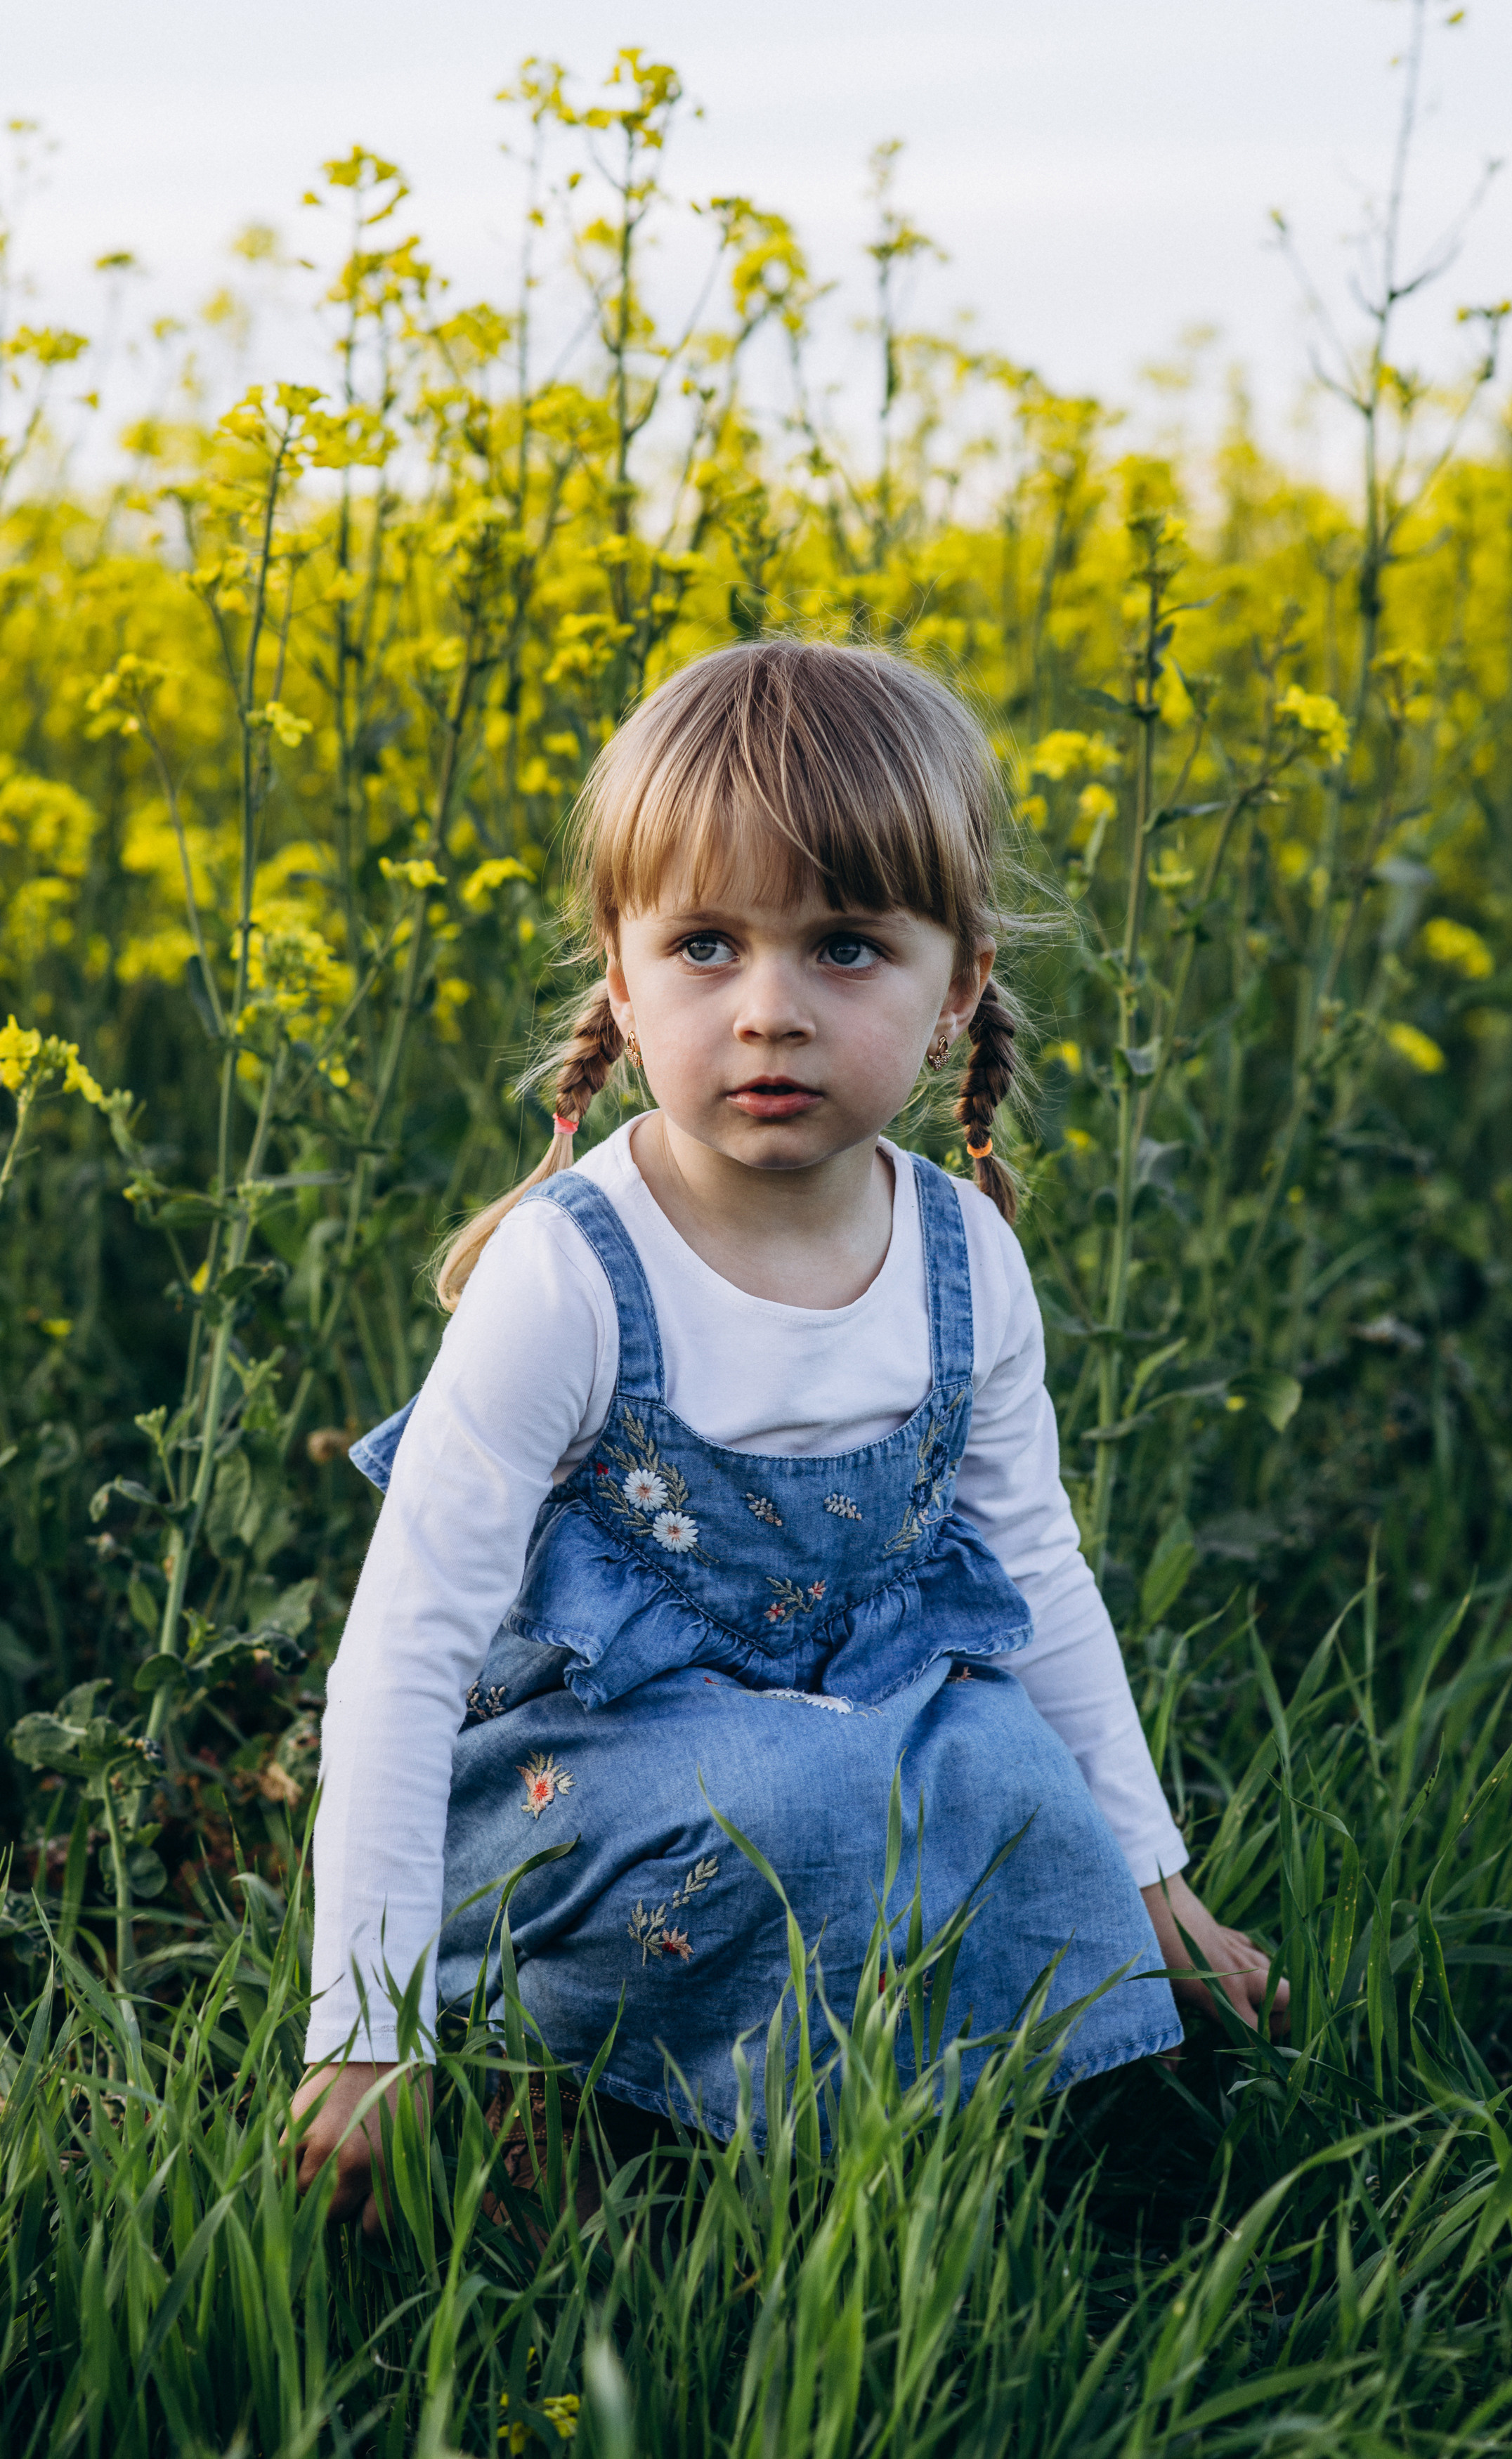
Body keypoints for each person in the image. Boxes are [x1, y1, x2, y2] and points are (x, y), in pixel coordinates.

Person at [291, 639, 1285, 2231]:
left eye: (842, 948)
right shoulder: (571, 1275)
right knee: (788, 1798)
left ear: (955, 983)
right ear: (618, 976)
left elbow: (1039, 1568)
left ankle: (989, 2151)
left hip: (873, 1712)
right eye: (702, 945)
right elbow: (406, 1651)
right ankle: (606, 2105)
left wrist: (1152, 1879)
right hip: (599, 1768)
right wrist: (366, 2021)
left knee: (1020, 1788)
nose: (768, 1015)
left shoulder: (965, 1255)